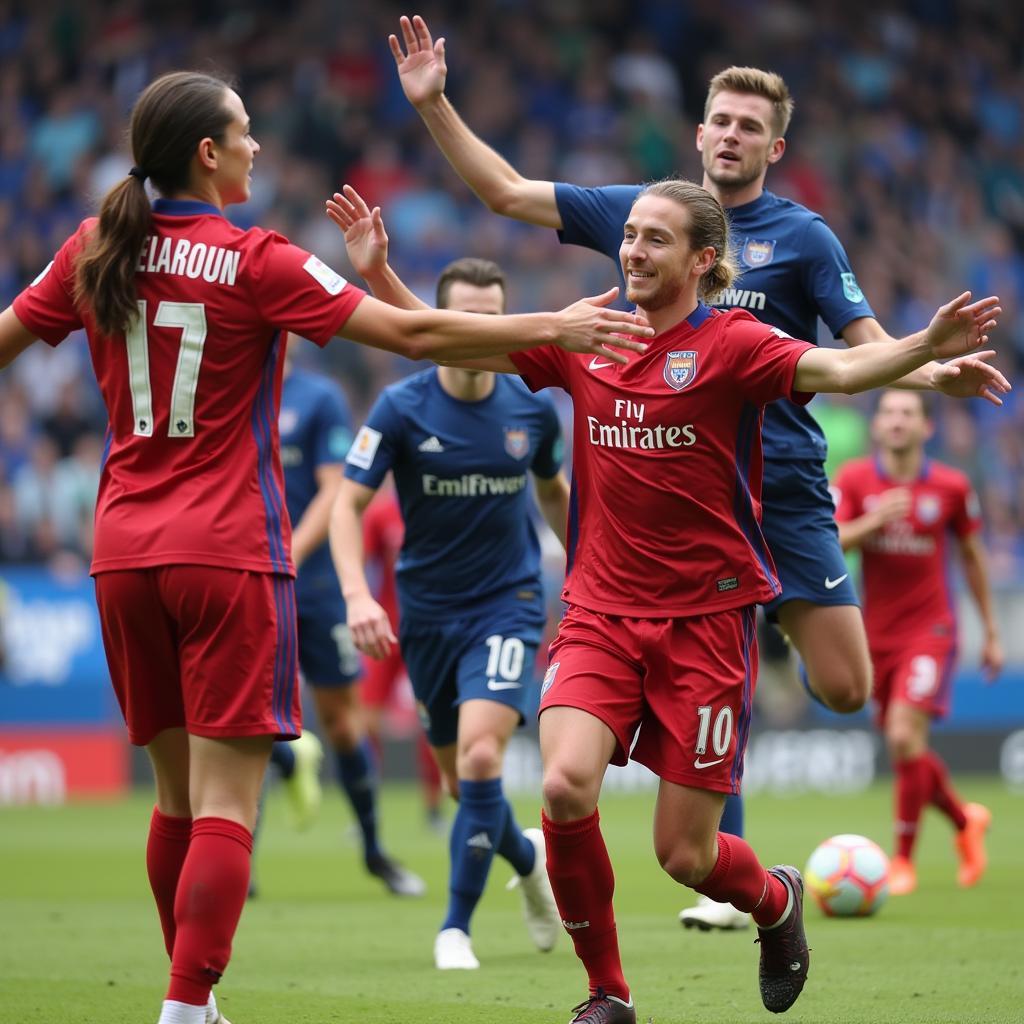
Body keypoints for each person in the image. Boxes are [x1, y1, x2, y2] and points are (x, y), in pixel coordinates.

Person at [0, 70, 651, 1024]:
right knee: (229, 804)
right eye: (246, 133)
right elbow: (414, 333)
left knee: (174, 801)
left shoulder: (97, 245)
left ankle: (190, 999)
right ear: (207, 155)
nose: (260, 147)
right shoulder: (257, 258)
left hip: (122, 550)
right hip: (224, 552)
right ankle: (186, 1008)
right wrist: (552, 324)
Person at [387, 16, 1011, 931]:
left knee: (845, 688)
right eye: (719, 119)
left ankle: (730, 749)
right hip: (669, 492)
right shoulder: (643, 211)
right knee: (712, 649)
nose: (729, 135)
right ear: (698, 130)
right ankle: (725, 862)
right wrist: (435, 101)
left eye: (749, 127)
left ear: (774, 146)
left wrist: (931, 369)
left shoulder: (805, 239)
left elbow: (857, 353)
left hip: (786, 482)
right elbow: (506, 191)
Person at [328, 176, 1003, 1021]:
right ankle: (606, 994)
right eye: (630, 234)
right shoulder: (589, 330)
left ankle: (775, 903)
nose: (632, 250)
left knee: (684, 856)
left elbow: (838, 364)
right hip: (600, 613)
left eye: (655, 239)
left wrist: (922, 353)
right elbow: (452, 346)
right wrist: (380, 279)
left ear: (702, 258)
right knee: (566, 787)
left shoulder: (735, 344)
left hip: (707, 625)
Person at [329, 248, 568, 972]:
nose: (478, 330)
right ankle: (528, 861)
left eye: (491, 319)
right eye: (463, 316)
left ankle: (454, 928)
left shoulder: (530, 406)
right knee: (468, 785)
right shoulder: (401, 408)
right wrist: (357, 593)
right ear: (438, 320)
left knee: (483, 753)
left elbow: (555, 495)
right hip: (427, 616)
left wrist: (587, 567)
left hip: (509, 603)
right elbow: (347, 506)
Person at [266, 335, 425, 896]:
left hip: (314, 586)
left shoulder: (319, 397)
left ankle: (374, 850)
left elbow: (336, 493)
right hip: (250, 583)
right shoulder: (229, 390)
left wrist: (285, 554)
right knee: (245, 720)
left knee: (341, 721)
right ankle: (242, 863)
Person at [833, 391, 1003, 895]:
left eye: (908, 413)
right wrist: (874, 522)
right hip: (875, 633)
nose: (897, 421)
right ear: (877, 427)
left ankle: (902, 861)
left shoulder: (950, 486)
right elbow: (831, 540)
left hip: (931, 629)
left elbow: (972, 557)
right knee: (903, 743)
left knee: (905, 737)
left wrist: (990, 631)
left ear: (927, 428)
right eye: (889, 413)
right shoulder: (856, 481)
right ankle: (964, 819)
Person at [359, 482, 446, 831]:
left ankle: (433, 807)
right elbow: (360, 561)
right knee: (365, 719)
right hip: (386, 629)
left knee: (430, 720)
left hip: (428, 630)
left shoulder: (441, 506)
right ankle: (368, 809)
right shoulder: (381, 512)